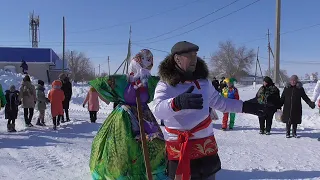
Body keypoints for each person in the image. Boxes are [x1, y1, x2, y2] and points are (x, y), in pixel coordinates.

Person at [153, 41, 271, 180]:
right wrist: (176, 103)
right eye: (189, 56)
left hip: (205, 148)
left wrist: (246, 106)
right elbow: (157, 110)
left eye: (195, 55)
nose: (194, 59)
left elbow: (221, 103)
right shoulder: (165, 84)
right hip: (179, 150)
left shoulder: (203, 83)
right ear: (176, 58)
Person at [88, 49, 167, 179]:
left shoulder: (150, 83)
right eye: (143, 62)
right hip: (124, 117)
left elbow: (167, 86)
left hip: (145, 115)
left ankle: (152, 172)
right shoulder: (123, 81)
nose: (145, 67)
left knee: (156, 143)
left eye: (149, 62)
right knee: (123, 147)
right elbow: (99, 85)